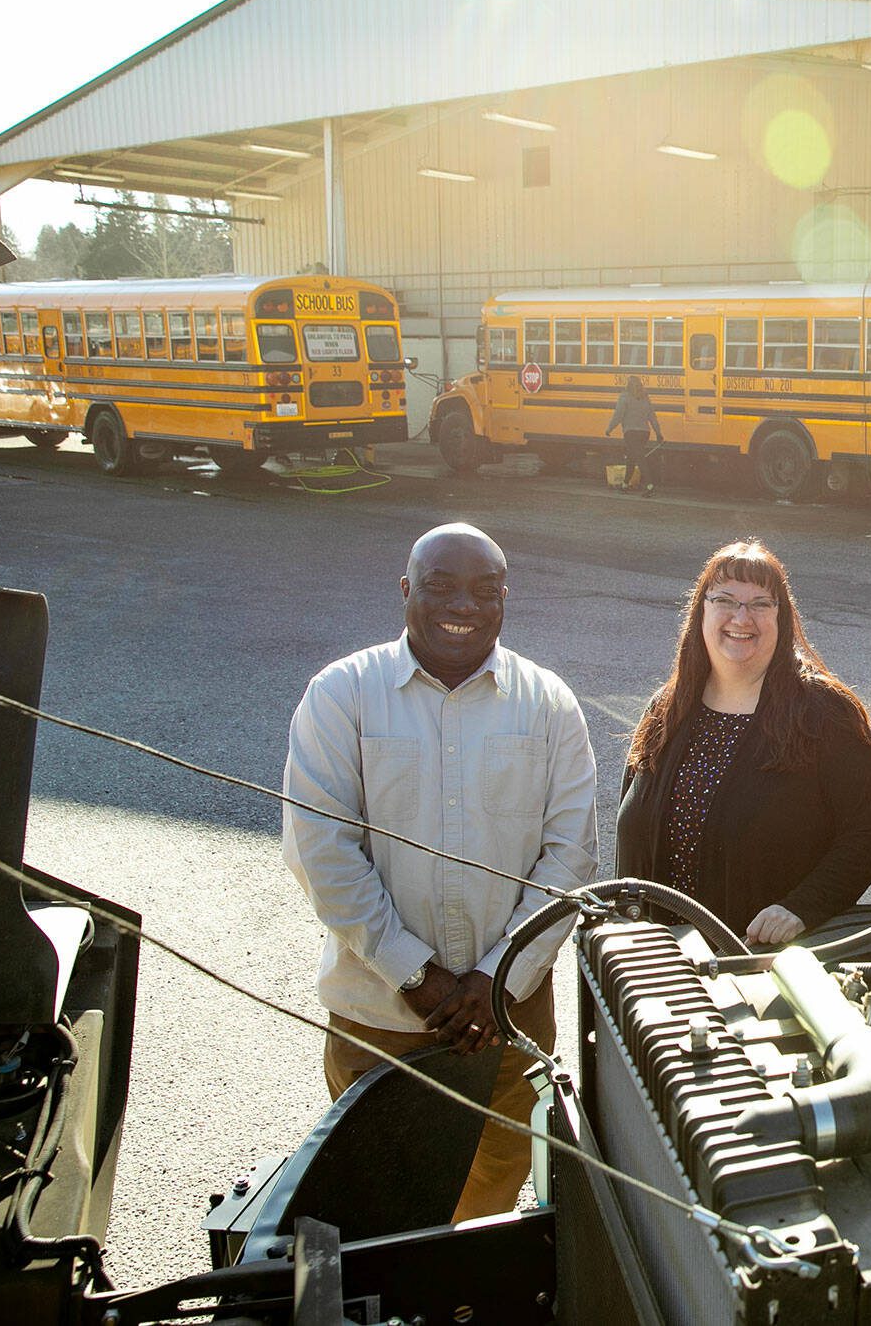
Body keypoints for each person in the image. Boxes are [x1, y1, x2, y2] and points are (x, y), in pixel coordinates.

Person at [283, 523, 598, 1222]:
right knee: (377, 1207)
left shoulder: (549, 704)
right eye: (441, 586)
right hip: (380, 1019)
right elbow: (322, 850)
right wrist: (417, 976)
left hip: (508, 1024)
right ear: (405, 591)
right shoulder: (341, 694)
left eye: (485, 591)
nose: (465, 604)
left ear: (505, 599)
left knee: (487, 1206)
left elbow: (570, 857)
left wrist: (496, 983)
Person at [618, 540, 871, 943]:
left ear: (782, 617)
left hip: (762, 961)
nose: (741, 617)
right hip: (658, 958)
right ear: (701, 611)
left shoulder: (823, 713)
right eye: (725, 600)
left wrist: (803, 907)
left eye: (761, 603)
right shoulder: (667, 708)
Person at [604, 376, 661, 495]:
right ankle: (625, 484)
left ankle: (650, 487)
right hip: (645, 432)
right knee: (631, 458)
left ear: (627, 385)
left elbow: (618, 415)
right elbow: (652, 417)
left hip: (631, 433)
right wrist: (658, 433)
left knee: (640, 459)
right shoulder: (645, 398)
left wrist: (609, 428)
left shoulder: (624, 397)